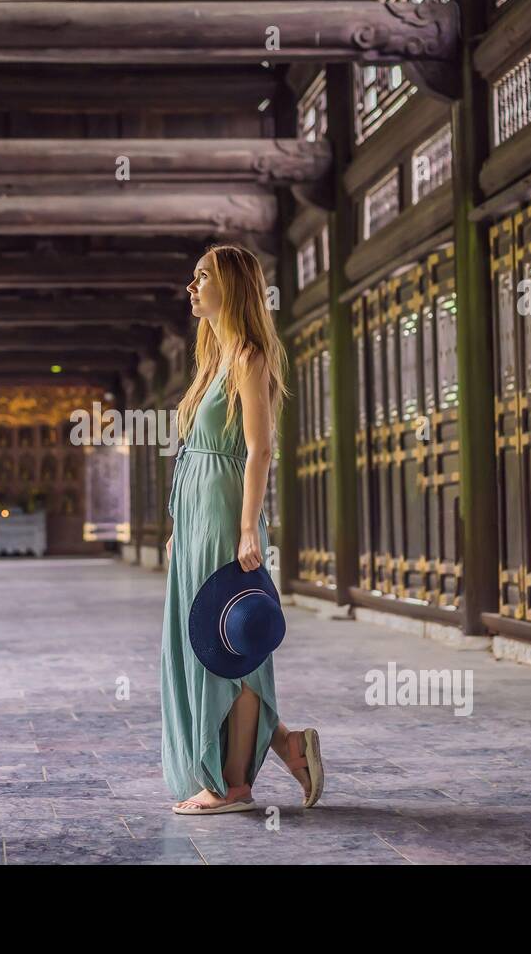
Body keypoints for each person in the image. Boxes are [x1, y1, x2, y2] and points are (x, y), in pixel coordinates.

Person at [160, 243, 324, 815]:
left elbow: (260, 450)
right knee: (208, 637)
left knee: (236, 644)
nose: (192, 285)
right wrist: (180, 523)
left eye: (202, 276)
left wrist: (249, 527)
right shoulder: (213, 362)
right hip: (198, 515)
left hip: (227, 512)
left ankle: (234, 787)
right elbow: (191, 456)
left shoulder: (250, 358)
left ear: (228, 286)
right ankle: (283, 745)